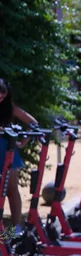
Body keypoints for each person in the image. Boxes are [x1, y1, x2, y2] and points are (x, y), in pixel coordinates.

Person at [0, 78, 38, 234]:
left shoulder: (10, 108)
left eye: (2, 95)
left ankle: (15, 228)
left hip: (7, 149)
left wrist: (23, 142)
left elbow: (33, 123)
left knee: (11, 189)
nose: (0, 98)